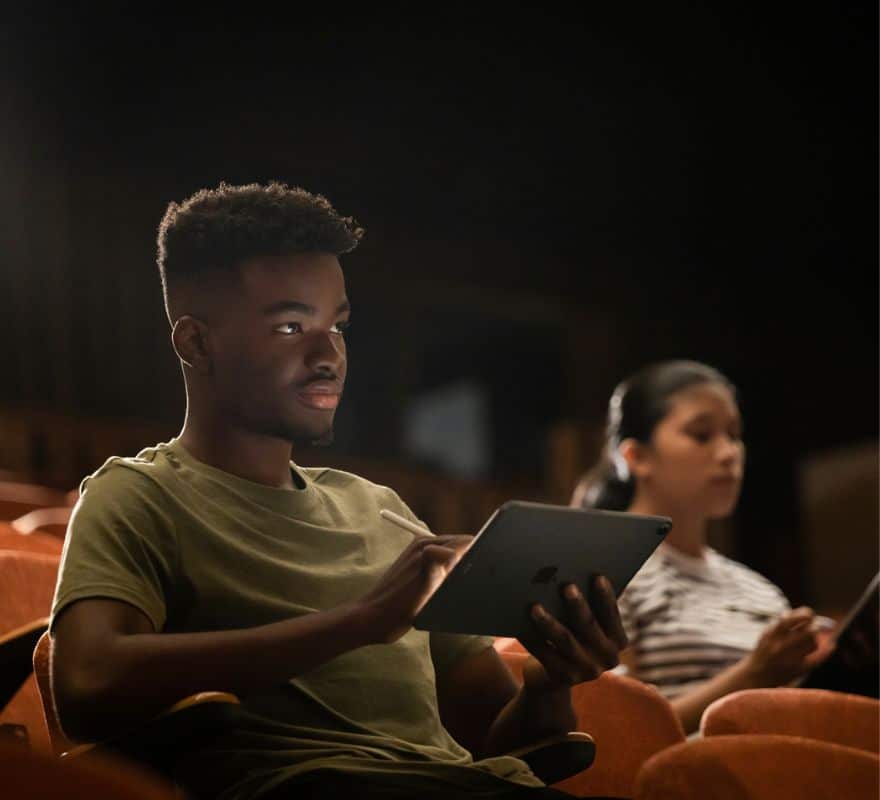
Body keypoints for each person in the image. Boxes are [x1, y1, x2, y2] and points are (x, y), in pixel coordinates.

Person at [50, 182, 627, 800]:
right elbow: (85, 683)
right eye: (292, 326)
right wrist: (358, 623)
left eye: (339, 326)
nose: (330, 355)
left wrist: (550, 682)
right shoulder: (136, 495)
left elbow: (505, 741)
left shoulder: (379, 510)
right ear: (195, 342)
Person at [573, 360, 830, 734]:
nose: (729, 453)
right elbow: (616, 737)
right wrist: (754, 672)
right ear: (637, 457)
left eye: (734, 434)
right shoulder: (607, 574)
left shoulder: (759, 589)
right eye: (702, 435)